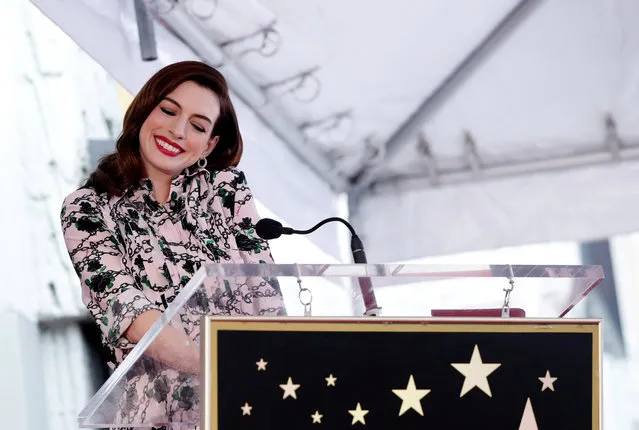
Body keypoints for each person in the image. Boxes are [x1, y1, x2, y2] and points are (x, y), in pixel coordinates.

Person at [60, 61, 286, 428]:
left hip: (250, 408)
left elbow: (267, 300)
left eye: (197, 126)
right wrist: (227, 371)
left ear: (209, 144)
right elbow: (131, 316)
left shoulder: (226, 190)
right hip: (158, 417)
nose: (178, 130)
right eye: (168, 110)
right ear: (144, 111)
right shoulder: (87, 208)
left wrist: (272, 379)